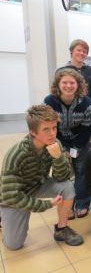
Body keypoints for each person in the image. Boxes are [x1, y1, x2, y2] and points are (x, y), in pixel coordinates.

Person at [0, 105, 83, 250]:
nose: (52, 134)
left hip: (38, 185)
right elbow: (10, 196)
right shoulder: (16, 155)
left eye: (54, 128)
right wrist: (46, 205)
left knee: (67, 186)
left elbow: (63, 177)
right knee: (14, 245)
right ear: (32, 131)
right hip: (14, 196)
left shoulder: (54, 144)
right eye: (46, 129)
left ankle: (62, 229)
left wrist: (58, 158)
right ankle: (4, 218)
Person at [44, 68, 91, 219]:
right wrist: (63, 148)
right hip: (58, 140)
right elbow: (51, 128)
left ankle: (82, 203)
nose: (68, 86)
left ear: (78, 84)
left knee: (81, 171)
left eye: (72, 82)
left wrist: (75, 148)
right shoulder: (49, 102)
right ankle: (67, 204)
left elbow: (87, 129)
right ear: (58, 84)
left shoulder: (87, 102)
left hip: (81, 141)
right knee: (64, 173)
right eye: (64, 82)